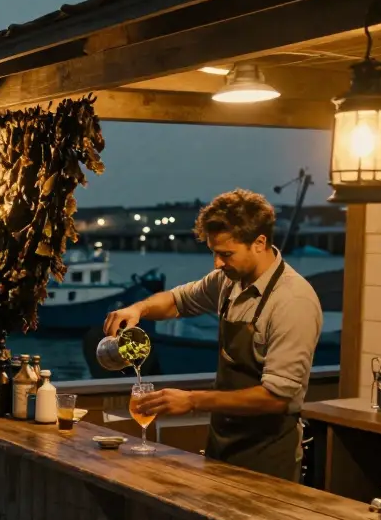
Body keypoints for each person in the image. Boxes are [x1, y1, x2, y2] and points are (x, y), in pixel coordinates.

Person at [103, 189, 322, 480]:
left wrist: (193, 401)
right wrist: (138, 309)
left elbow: (277, 398)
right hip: (222, 445)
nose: (217, 264)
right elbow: (177, 301)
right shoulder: (227, 282)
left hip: (268, 457)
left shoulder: (293, 302)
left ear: (259, 243)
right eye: (214, 253)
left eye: (226, 254)